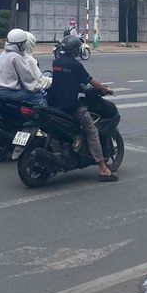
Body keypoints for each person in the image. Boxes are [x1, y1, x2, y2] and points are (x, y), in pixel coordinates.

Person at [49, 34, 119, 182]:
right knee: (92, 131)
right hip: (70, 105)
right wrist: (105, 89)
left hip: (53, 104)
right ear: (76, 50)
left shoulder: (56, 63)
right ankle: (103, 169)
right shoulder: (76, 65)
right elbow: (90, 81)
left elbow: (67, 81)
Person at [0, 29, 47, 107]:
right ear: (19, 44)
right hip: (11, 93)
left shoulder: (3, 55)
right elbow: (27, 78)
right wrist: (38, 88)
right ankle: (46, 115)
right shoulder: (16, 57)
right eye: (23, 43)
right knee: (38, 96)